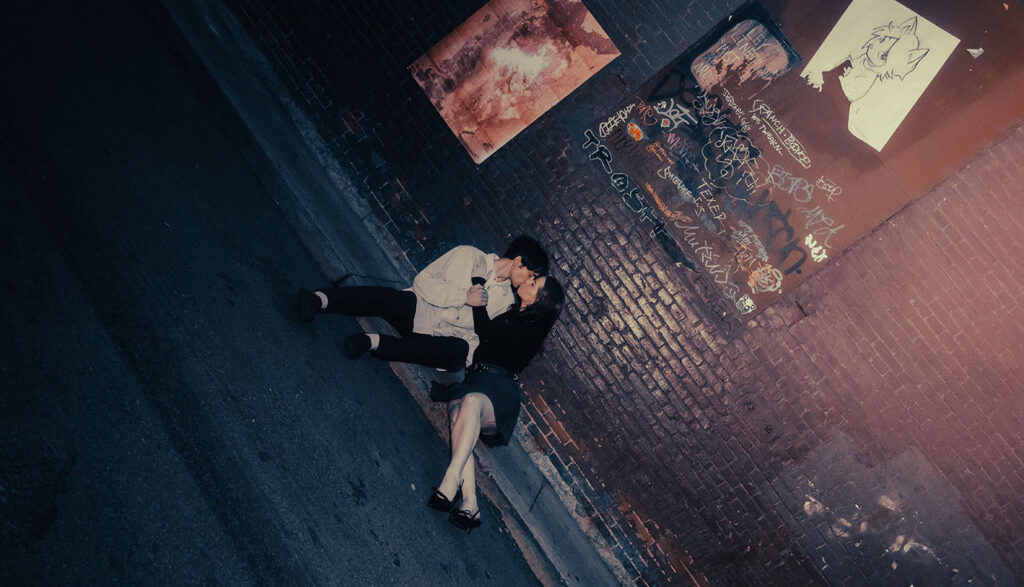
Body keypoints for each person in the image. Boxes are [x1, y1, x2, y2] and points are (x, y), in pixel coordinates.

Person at [426, 274, 565, 533]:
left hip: (498, 390)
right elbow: (486, 333)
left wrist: (479, 305)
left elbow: (492, 338)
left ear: (539, 300)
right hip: (477, 378)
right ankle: (470, 504)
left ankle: (451, 478)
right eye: (533, 278)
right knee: (458, 419)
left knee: (470, 402)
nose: (529, 280)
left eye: (534, 284)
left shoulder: (532, 329)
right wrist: (478, 305)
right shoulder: (513, 313)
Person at [296, 236, 548, 373]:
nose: (531, 281)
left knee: (459, 350)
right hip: (418, 311)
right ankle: (319, 299)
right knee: (391, 299)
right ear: (518, 261)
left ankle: (371, 342)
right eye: (532, 274)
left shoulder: (505, 302)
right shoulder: (469, 256)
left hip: (435, 340)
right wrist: (463, 297)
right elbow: (423, 282)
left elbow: (477, 337)